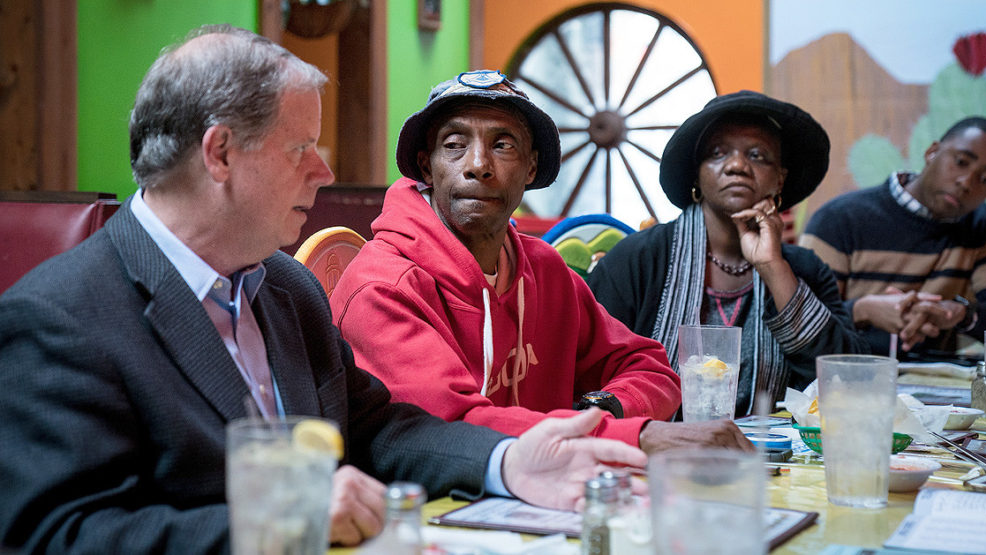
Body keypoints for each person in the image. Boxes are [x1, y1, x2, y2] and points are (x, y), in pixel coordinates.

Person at [0, 26, 650, 553]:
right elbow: (52, 535)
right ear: (220, 153)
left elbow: (376, 428)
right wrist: (279, 522)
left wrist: (508, 462)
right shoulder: (59, 318)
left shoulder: (286, 288)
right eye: (302, 147)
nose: (326, 170)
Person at [330, 70, 752, 454]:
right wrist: (634, 435)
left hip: (544, 507)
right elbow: (451, 431)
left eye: (503, 145)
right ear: (427, 166)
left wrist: (602, 411)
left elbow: (651, 367)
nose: (478, 165)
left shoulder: (545, 271)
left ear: (531, 167)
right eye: (455, 146)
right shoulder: (384, 286)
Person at [588, 91, 868, 417]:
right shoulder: (639, 259)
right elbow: (588, 374)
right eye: (718, 153)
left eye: (757, 155)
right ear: (697, 174)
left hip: (769, 460)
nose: (737, 165)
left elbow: (850, 384)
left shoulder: (803, 270)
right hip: (652, 453)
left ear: (780, 180)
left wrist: (773, 267)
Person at [799, 117, 986, 357]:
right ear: (932, 152)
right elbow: (798, 322)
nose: (966, 182)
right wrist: (863, 311)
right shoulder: (839, 219)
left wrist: (959, 313)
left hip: (936, 385)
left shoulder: (979, 225)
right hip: (848, 381)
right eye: (960, 162)